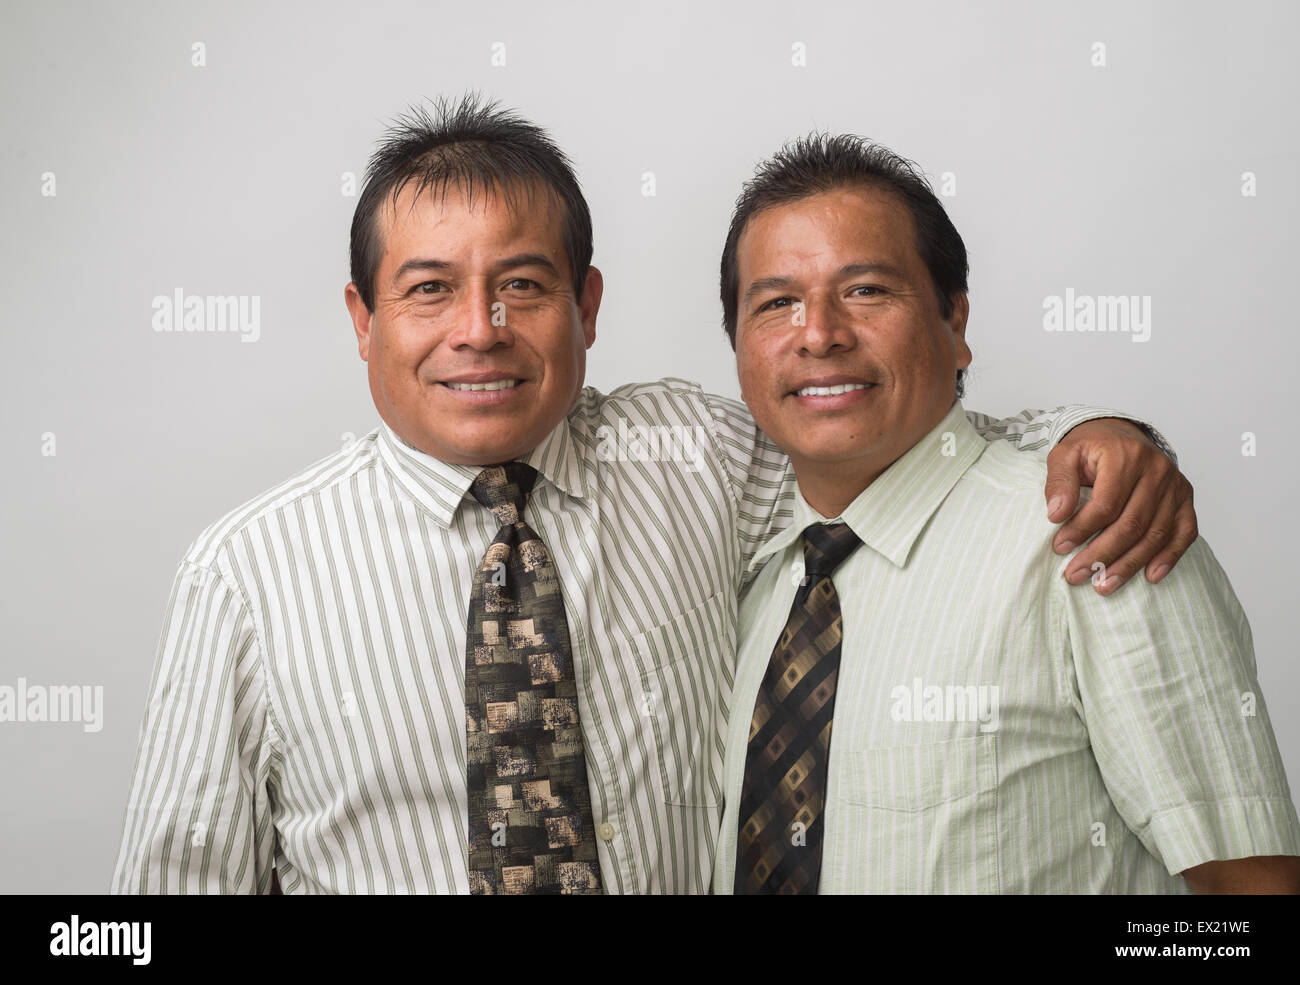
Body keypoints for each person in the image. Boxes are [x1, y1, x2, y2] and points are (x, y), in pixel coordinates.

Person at [112, 96, 1198, 894]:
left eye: (523, 285)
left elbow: (884, 431)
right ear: (363, 319)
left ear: (587, 305)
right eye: (429, 288)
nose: (478, 328)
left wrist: (1100, 437)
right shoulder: (246, 572)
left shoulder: (697, 458)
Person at [711, 133, 1300, 894]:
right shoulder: (752, 585)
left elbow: (1252, 898)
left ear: (955, 323)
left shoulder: (1096, 539)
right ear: (738, 346)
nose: (819, 332)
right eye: (778, 303)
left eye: (866, 291)